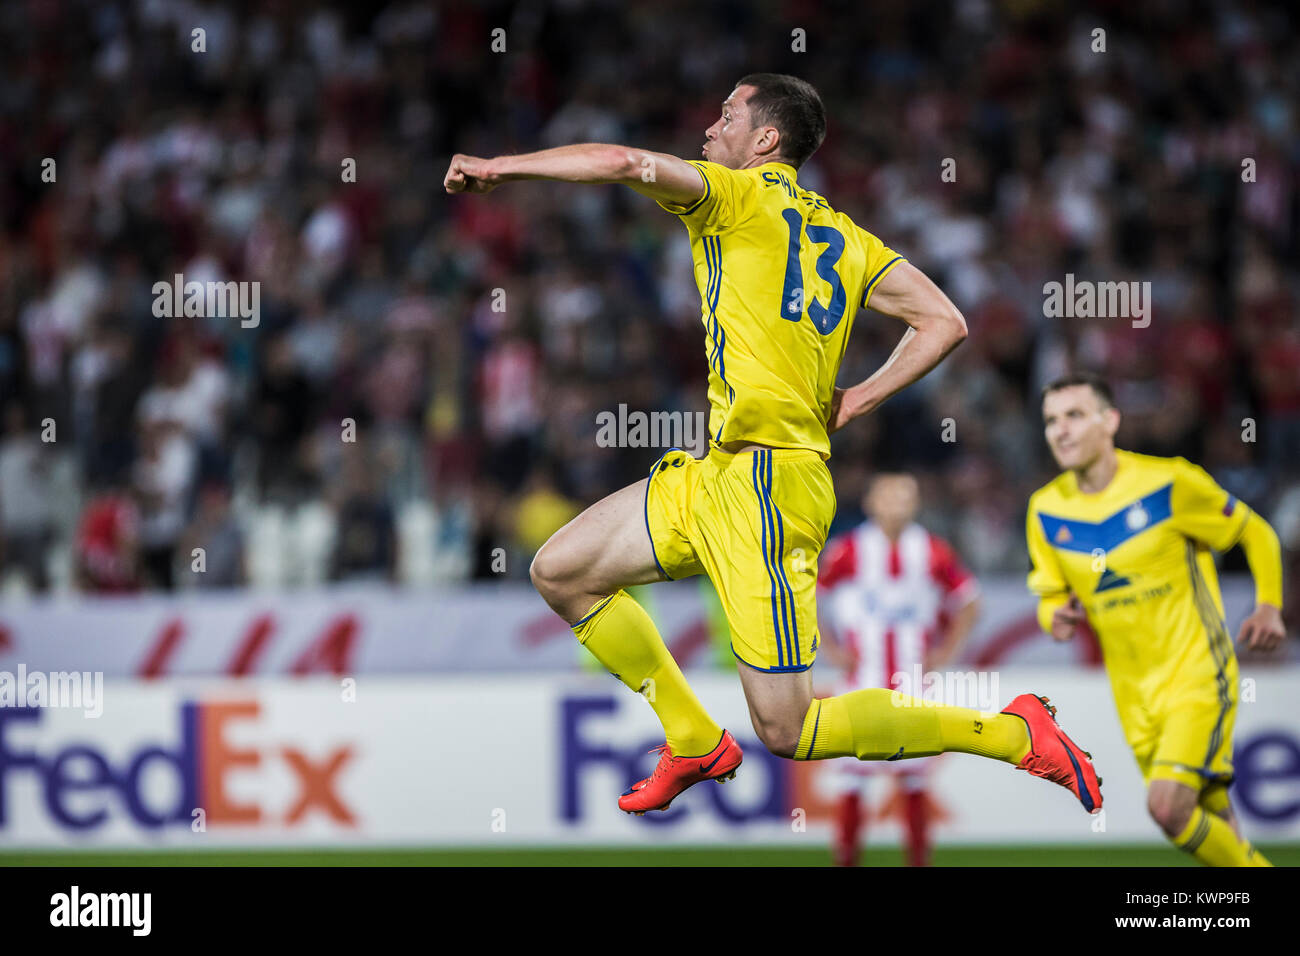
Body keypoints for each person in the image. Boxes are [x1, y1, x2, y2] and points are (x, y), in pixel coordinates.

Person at [446, 73, 1101, 816]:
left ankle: (1012, 733)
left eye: (727, 115)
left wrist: (502, 167)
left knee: (790, 729)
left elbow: (627, 163)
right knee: (561, 571)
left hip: (769, 488)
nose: (709, 126)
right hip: (717, 472)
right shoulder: (848, 238)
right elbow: (944, 320)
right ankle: (693, 738)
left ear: (765, 141)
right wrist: (856, 398)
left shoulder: (732, 197)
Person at [1027, 372, 1283, 865]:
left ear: (1111, 421)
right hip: (1132, 695)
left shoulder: (1170, 482)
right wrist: (1052, 617)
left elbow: (1256, 532)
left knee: (1166, 807)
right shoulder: (1046, 510)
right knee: (1209, 814)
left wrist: (1268, 604)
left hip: (1197, 676)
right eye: (1051, 421)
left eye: (1075, 416)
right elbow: (1048, 595)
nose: (1061, 430)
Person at [820, 473, 981, 865]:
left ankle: (918, 860)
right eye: (887, 495)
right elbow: (809, 599)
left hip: (913, 687)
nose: (895, 503)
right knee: (852, 781)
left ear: (916, 503)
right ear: (871, 502)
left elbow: (970, 602)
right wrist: (830, 649)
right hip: (861, 684)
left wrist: (946, 650)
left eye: (904, 496)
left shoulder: (932, 550)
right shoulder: (849, 550)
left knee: (913, 780)